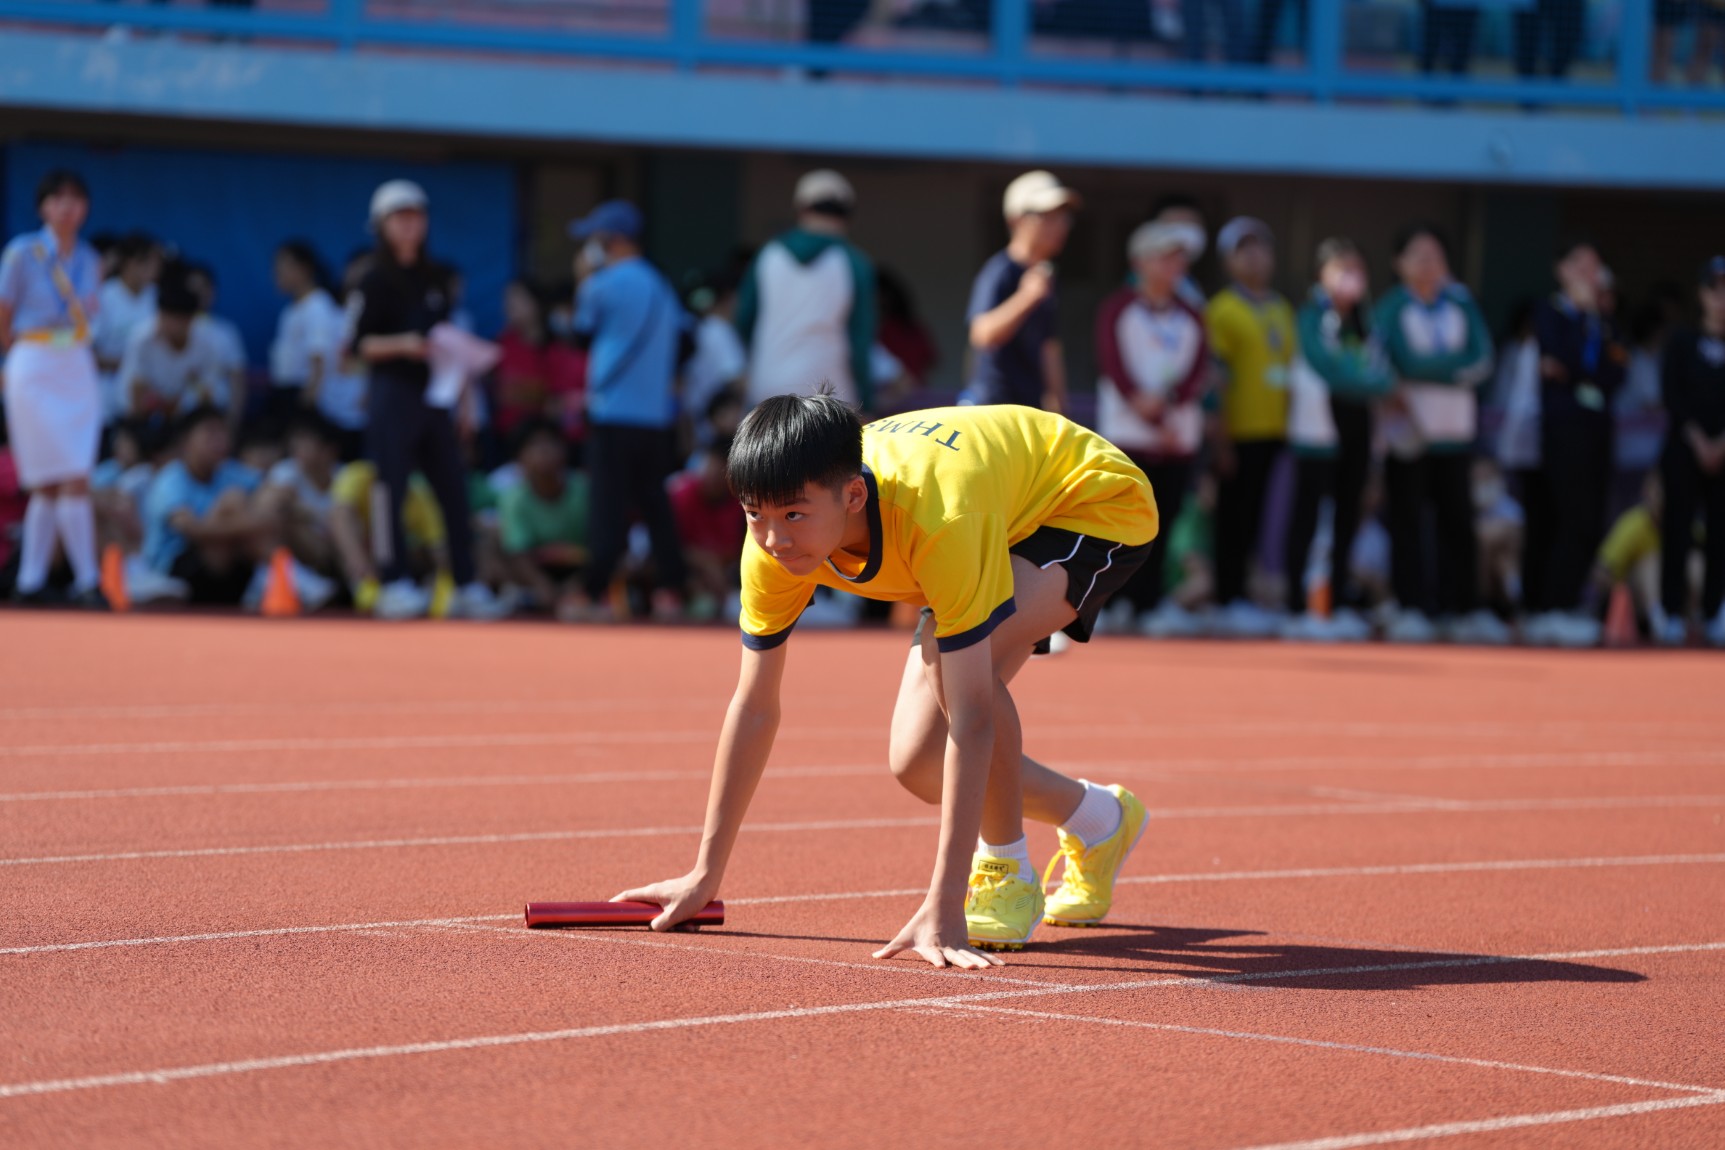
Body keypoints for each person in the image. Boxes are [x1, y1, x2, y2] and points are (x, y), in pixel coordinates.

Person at [613, 394, 1158, 966]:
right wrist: (704, 874)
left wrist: (945, 902)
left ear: (853, 496)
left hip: (1088, 503)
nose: (774, 540)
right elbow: (753, 707)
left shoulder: (940, 517)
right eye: (755, 515)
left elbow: (973, 714)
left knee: (951, 666)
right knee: (919, 761)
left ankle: (1006, 871)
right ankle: (1100, 819)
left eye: (794, 516)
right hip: (994, 500)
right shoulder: (772, 547)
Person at [351, 179, 508, 621]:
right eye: (399, 217)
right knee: (391, 489)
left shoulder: (435, 277)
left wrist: (464, 405)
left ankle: (465, 583)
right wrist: (403, 344)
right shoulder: (373, 279)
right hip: (392, 394)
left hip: (437, 394)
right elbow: (360, 344)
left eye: (416, 216)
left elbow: (449, 343)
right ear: (381, 225)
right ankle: (393, 582)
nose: (409, 225)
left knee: (453, 488)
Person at [1374, 224, 1505, 645]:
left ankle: (1462, 609)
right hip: (1409, 435)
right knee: (1408, 522)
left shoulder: (1461, 302)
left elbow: (1481, 359)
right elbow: (1393, 362)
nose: (1428, 263)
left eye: (1435, 255)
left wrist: (1427, 369)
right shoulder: (1392, 307)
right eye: (1418, 255)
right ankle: (1410, 606)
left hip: (1455, 432)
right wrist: (1449, 367)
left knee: (1458, 522)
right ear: (1399, 263)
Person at [564, 199, 690, 622]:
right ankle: (671, 589)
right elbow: (684, 342)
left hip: (613, 413)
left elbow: (579, 334)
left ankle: (594, 589)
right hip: (654, 417)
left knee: (608, 506)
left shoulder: (601, 284)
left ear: (611, 241)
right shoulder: (660, 284)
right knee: (656, 505)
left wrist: (583, 280)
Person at [1093, 219, 1209, 637]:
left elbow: (1198, 371)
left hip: (1177, 440)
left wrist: (1168, 406)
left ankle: (1151, 604)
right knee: (1120, 527)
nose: (1174, 266)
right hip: (1129, 438)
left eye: (1179, 258)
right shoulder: (1117, 308)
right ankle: (1111, 603)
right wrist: (1146, 411)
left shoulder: (1192, 315)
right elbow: (1113, 365)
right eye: (1165, 256)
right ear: (1139, 262)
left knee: (1165, 523)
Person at [0, 169, 107, 606]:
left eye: (75, 199)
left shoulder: (91, 258)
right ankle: (84, 581)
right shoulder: (22, 253)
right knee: (48, 477)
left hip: (75, 359)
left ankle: (32, 583)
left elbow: (94, 314)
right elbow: (3, 313)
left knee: (74, 471)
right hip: (33, 357)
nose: (67, 207)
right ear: (43, 206)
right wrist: (11, 361)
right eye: (58, 198)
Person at [1282, 237, 1392, 642]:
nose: (1351, 277)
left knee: (1348, 516)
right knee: (1308, 517)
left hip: (1357, 426)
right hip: (1316, 430)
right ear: (1321, 275)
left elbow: (1382, 368)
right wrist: (1367, 383)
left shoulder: (1368, 320)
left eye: (1357, 269)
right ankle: (1297, 607)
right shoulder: (1310, 316)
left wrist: (1370, 383)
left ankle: (1338, 604)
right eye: (1342, 269)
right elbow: (1325, 366)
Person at [1524, 239, 1626, 647]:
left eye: (1595, 265)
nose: (1589, 273)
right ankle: (1550, 606)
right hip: (1562, 431)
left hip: (1597, 430)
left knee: (1592, 518)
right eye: (1580, 264)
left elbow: (1615, 372)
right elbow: (1559, 356)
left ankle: (1567, 605)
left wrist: (1576, 368)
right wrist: (1581, 322)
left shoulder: (1604, 318)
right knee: (1566, 515)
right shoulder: (1549, 311)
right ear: (1562, 270)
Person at [1204, 216, 1295, 636]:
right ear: (1228, 261)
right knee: (1233, 517)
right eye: (1244, 249)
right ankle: (1227, 597)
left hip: (1274, 429)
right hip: (1237, 429)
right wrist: (1220, 436)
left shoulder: (1281, 308)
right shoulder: (1222, 309)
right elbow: (1216, 378)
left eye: (1262, 248)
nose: (1256, 257)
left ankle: (1245, 593)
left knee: (1258, 515)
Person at [736, 171, 876, 411]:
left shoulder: (768, 254)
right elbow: (860, 340)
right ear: (847, 216)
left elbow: (743, 320)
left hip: (768, 388)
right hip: (831, 395)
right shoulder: (853, 262)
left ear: (801, 210)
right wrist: (868, 399)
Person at [961, 171, 1080, 414]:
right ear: (1016, 219)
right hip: (993, 411)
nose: (1059, 226)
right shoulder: (1000, 271)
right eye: (1047, 216)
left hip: (1028, 411)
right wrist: (1027, 298)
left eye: (1063, 217)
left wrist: (1060, 413)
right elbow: (982, 334)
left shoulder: (1044, 277)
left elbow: (1049, 349)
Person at [1656, 256, 1725, 647]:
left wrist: (1721, 444)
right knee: (1677, 531)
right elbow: (1672, 395)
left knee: (1720, 534)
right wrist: (1699, 440)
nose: (1722, 299)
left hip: (1723, 455)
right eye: (1716, 290)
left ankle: (1715, 612)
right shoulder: (1682, 341)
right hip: (1684, 450)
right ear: (1703, 294)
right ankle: (1670, 612)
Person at [139, 406, 268, 605]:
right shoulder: (171, 479)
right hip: (175, 568)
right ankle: (281, 573)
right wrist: (251, 527)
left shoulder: (229, 471)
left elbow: (272, 496)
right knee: (232, 501)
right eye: (210, 433)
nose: (219, 441)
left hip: (225, 567)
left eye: (223, 433)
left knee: (263, 500)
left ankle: (280, 573)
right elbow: (189, 528)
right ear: (186, 442)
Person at [118, 274, 240, 430]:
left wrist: (181, 405)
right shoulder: (141, 340)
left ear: (190, 320)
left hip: (187, 416)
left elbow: (208, 392)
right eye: (163, 317)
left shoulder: (208, 342)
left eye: (175, 320)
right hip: (144, 414)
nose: (167, 326)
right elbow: (134, 391)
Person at [497, 418, 590, 618]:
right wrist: (543, 586)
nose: (543, 451)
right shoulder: (513, 498)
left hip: (581, 568)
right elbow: (516, 551)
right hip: (534, 570)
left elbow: (602, 547)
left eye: (550, 443)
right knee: (490, 545)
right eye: (534, 445)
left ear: (564, 451)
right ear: (519, 459)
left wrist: (576, 586)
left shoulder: (586, 491)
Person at [669, 434, 748, 622]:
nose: (712, 479)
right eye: (709, 470)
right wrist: (703, 562)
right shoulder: (680, 495)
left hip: (722, 579)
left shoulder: (742, 505)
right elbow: (665, 548)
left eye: (720, 475)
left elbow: (736, 552)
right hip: (680, 574)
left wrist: (715, 567)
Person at [268, 240, 343, 435]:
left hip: (304, 394)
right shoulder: (292, 309)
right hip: (286, 391)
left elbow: (319, 359)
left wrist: (307, 404)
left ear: (304, 269)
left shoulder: (317, 305)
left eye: (282, 268)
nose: (277, 275)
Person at [91, 231, 161, 423]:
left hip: (148, 398)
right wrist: (128, 364)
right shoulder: (103, 296)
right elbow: (87, 353)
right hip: (106, 398)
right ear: (131, 263)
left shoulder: (158, 297)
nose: (156, 269)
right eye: (150, 263)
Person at [182, 261, 248, 423]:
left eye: (204, 287)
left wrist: (232, 420)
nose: (200, 293)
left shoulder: (227, 332)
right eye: (194, 287)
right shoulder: (173, 330)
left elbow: (237, 379)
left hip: (218, 414)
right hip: (182, 416)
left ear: (213, 291)